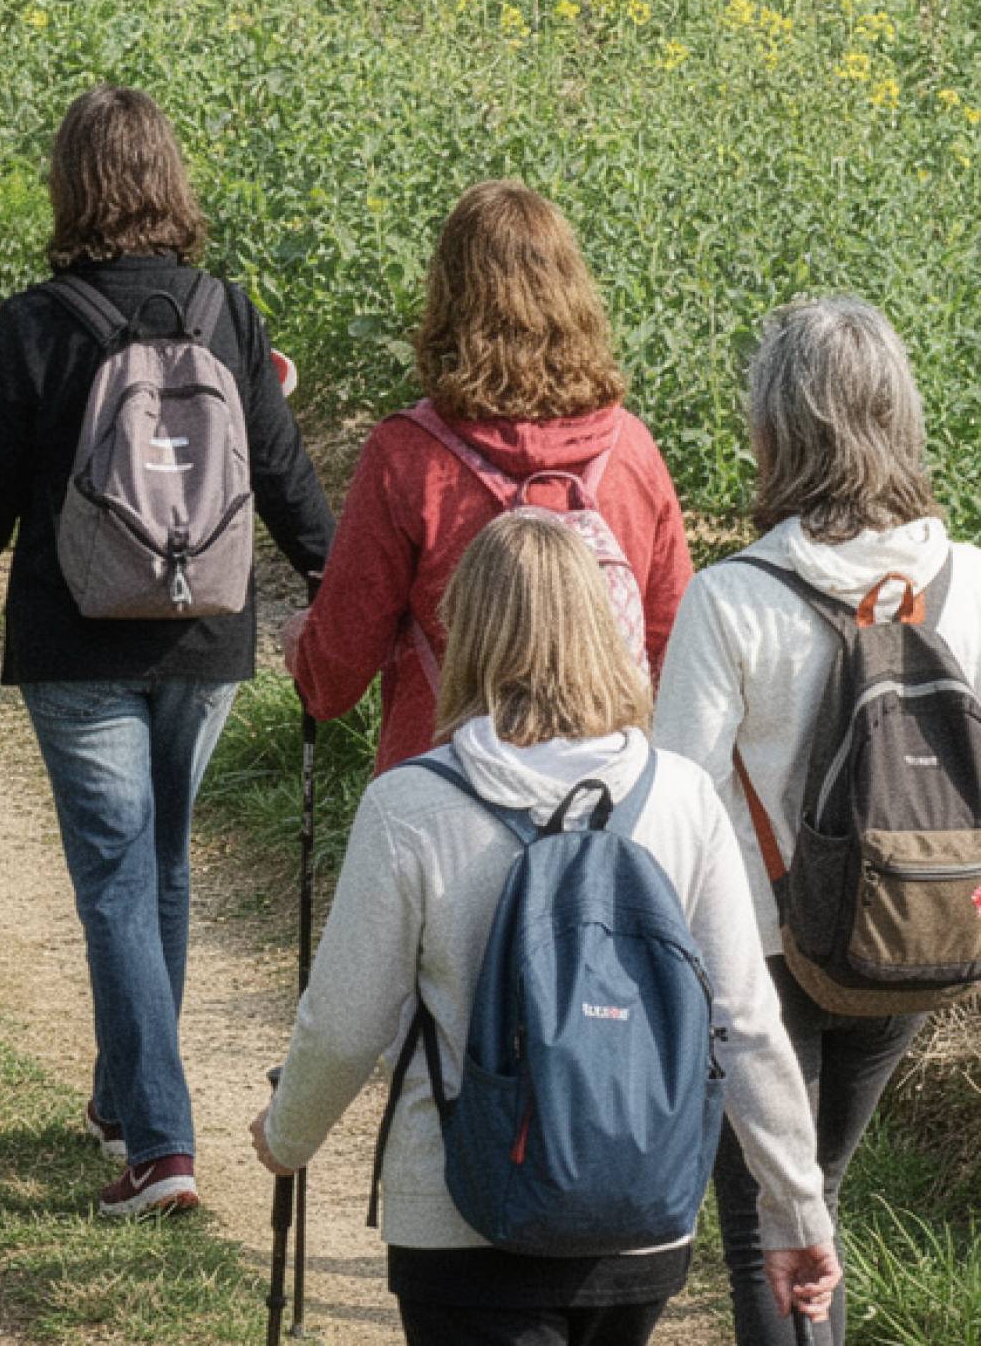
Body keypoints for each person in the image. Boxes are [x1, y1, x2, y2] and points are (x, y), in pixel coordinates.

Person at [254, 513, 841, 1346]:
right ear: (604, 624)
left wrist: (288, 1137)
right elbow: (744, 1025)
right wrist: (795, 1207)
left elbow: (346, 1022)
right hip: (637, 1217)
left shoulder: (412, 806)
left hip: (461, 1219)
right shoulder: (678, 798)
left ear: (466, 630)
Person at [0, 86, 334, 1217]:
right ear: (168, 180)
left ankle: (160, 1143)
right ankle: (123, 1091)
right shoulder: (227, 312)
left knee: (117, 873)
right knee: (156, 866)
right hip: (206, 632)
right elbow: (287, 476)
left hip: (78, 635)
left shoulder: (37, 320)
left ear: (70, 185)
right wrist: (332, 582)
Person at [655, 297, 978, 1346]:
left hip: (763, 954)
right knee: (819, 1192)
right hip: (922, 934)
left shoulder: (732, 598)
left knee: (769, 1224)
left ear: (775, 429)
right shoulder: (970, 581)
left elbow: (674, 809)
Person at [286, 180, 694, 771]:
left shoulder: (407, 456)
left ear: (448, 299)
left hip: (444, 783)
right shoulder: (630, 449)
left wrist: (302, 652)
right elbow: (672, 649)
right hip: (604, 791)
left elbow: (336, 674)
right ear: (574, 295)